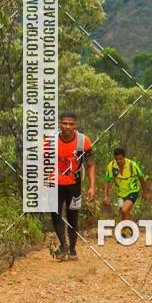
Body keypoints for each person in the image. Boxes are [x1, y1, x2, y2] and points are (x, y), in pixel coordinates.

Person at [49, 111, 95, 261]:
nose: (67, 127)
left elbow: (90, 164)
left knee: (73, 215)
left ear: (76, 125)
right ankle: (63, 246)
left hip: (74, 183)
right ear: (59, 123)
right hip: (55, 182)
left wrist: (92, 186)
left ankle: (73, 248)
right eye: (64, 123)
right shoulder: (51, 140)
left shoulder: (83, 141)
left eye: (71, 124)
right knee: (55, 214)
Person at [103, 147, 146, 219]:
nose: (119, 161)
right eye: (117, 159)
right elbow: (107, 181)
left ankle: (127, 229)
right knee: (123, 212)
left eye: (120, 159)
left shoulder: (132, 165)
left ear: (124, 157)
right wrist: (105, 196)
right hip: (120, 193)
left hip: (132, 190)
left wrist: (144, 192)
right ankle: (128, 227)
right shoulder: (111, 165)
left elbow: (141, 178)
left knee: (124, 209)